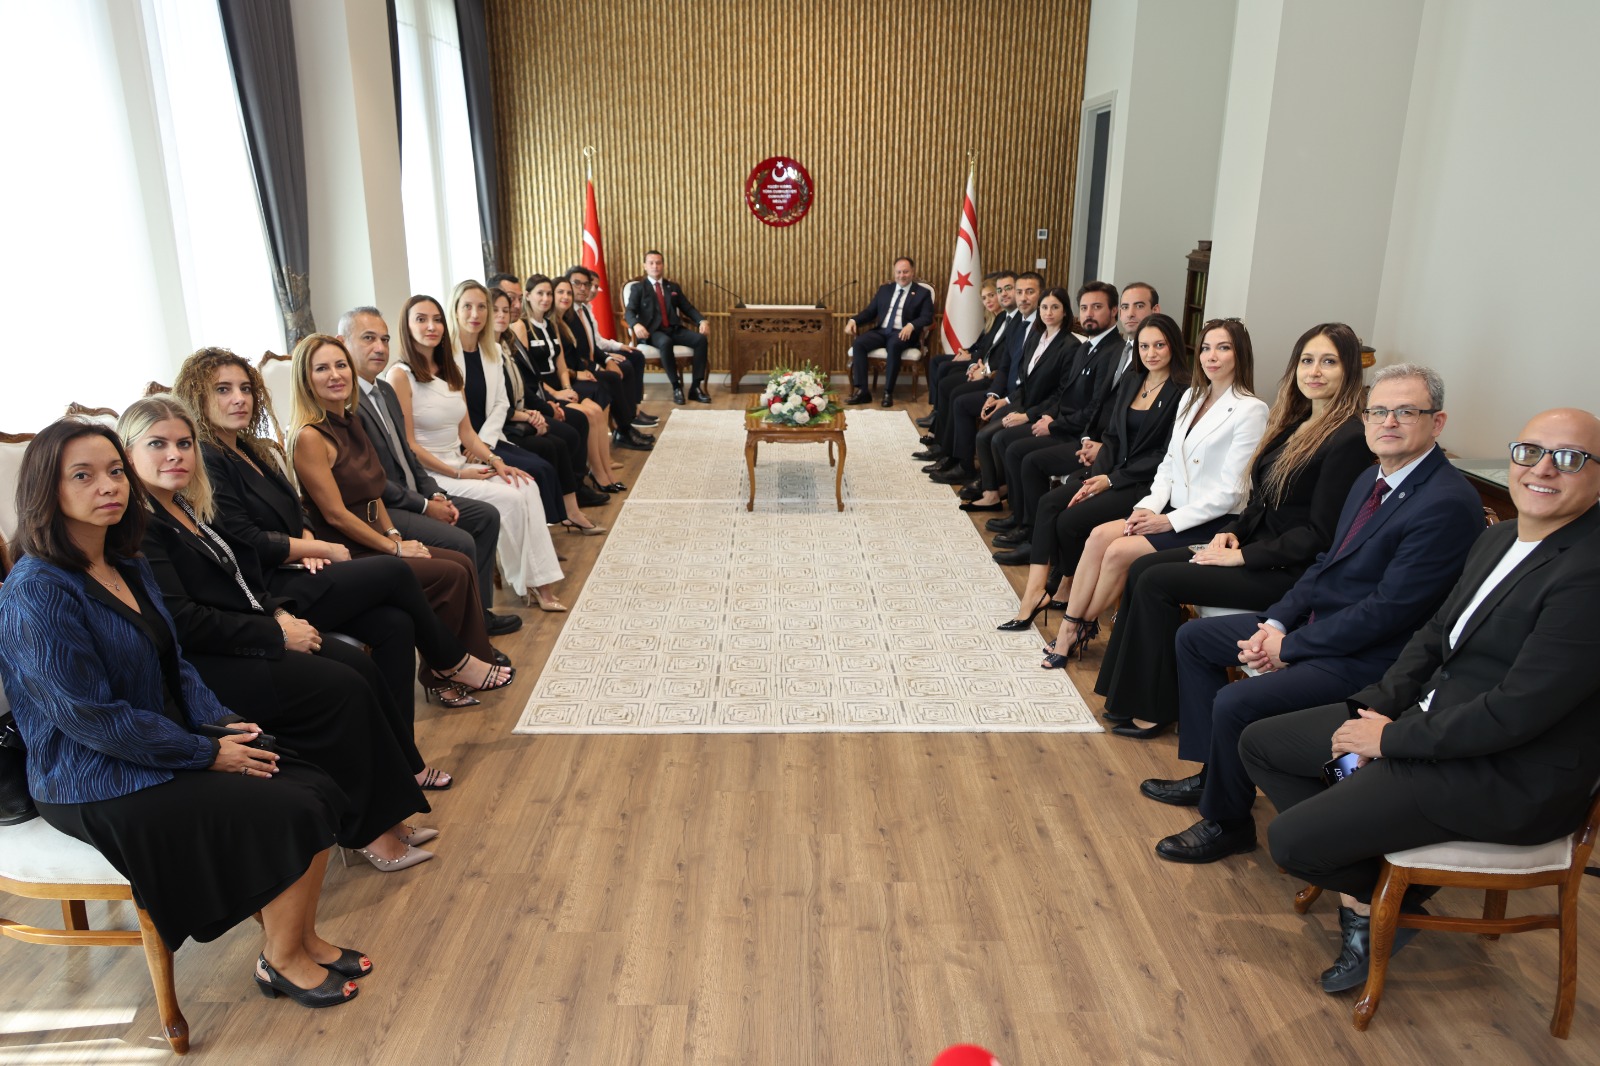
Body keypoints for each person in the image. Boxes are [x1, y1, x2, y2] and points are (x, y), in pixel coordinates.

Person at [0, 419, 363, 1005]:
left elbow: (177, 665)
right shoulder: (36, 589)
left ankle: (302, 939)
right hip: (90, 776)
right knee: (290, 806)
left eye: (115, 472)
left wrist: (224, 723)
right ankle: (282, 959)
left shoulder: (127, 562)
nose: (108, 486)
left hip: (157, 741)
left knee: (313, 779)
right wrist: (205, 752)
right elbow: (88, 716)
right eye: (83, 476)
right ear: (47, 490)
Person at [1241, 408, 1600, 994]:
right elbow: (1435, 634)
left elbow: (1516, 711)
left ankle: (1376, 900)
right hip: (1434, 725)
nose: (1543, 469)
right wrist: (1377, 709)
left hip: (1507, 771)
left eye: (1570, 458)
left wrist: (1388, 739)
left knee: (1292, 843)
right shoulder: (1501, 535)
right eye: (1530, 452)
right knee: (1264, 743)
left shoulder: (1589, 573)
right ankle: (1384, 878)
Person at [1142, 364, 1485, 864]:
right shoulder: (1372, 477)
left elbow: (1389, 611)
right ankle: (1214, 775)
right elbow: (1326, 563)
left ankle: (1228, 822)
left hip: (1371, 658)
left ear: (1437, 422)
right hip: (1319, 628)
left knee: (1236, 703)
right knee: (1194, 640)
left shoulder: (1446, 502)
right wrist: (1276, 623)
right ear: (1365, 419)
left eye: (1406, 412)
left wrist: (1291, 647)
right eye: (1378, 411)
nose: (1388, 422)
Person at [116, 399, 440, 874]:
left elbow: (239, 579)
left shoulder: (187, 504)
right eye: (157, 444)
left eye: (184, 443)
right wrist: (273, 633)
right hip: (205, 665)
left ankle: (391, 815)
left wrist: (279, 613)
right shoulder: (141, 527)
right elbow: (182, 620)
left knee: (360, 667)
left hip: (244, 634)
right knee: (339, 689)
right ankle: (365, 830)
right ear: (127, 454)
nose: (175, 454)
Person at [1094, 322, 1373, 736]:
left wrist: (1243, 555)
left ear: (1349, 369)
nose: (1314, 371)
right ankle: (1127, 695)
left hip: (1285, 572)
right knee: (1142, 569)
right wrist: (1234, 533)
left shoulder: (1348, 438)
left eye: (1328, 362)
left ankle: (1155, 706)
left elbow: (1320, 535)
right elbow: (1260, 500)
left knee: (1156, 581)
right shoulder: (1296, 423)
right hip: (1253, 549)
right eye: (1307, 360)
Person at [172, 348, 506, 690]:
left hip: (302, 567)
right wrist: (319, 548)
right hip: (271, 589)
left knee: (396, 624)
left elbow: (298, 508)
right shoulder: (208, 460)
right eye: (223, 389)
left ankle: (395, 724)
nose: (239, 398)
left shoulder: (248, 449)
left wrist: (308, 542)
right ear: (197, 397)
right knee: (395, 570)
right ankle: (451, 662)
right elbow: (246, 541)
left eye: (245, 388)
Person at [1040, 318, 1269, 667]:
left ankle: (1075, 629)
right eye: (1206, 348)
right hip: (1171, 509)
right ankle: (1075, 625)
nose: (1212, 356)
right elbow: (1169, 464)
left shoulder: (1251, 409)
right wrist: (1147, 508)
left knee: (1118, 551)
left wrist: (1168, 522)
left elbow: (1232, 492)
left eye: (1223, 348)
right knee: (1098, 536)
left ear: (1240, 354)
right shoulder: (1193, 396)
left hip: (1213, 522)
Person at [994, 313, 1190, 626]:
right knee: (1049, 503)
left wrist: (1110, 480)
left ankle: (1069, 581)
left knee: (1069, 521)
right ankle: (1035, 593)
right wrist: (1095, 476)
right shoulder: (1132, 380)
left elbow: (1164, 454)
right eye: (1144, 346)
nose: (1151, 353)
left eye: (1159, 345)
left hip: (1145, 485)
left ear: (1174, 347)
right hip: (1109, 473)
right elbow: (1112, 436)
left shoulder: (1183, 392)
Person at [336, 305, 517, 636]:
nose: (379, 347)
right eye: (368, 339)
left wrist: (435, 493)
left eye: (384, 339)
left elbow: (408, 453)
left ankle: (480, 614)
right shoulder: (346, 403)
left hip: (414, 494)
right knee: (461, 542)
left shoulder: (384, 390)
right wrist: (424, 506)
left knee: (486, 516)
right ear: (342, 342)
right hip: (385, 509)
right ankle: (463, 635)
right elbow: (373, 481)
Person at [386, 296, 568, 611]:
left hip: (458, 463)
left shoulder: (450, 370)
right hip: (432, 474)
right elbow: (409, 444)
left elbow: (467, 433)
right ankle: (529, 583)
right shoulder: (400, 375)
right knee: (511, 499)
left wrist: (497, 461)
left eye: (436, 319)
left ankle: (540, 583)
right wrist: (458, 473)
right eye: (421, 319)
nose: (431, 326)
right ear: (406, 326)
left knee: (525, 483)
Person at [990, 282, 1159, 534]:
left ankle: (1029, 529)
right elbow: (1066, 393)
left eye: (1097, 307)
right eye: (1085, 308)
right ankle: (1020, 519)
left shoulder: (1117, 351)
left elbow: (1097, 407)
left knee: (1024, 455)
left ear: (1112, 311)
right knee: (1006, 441)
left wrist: (1070, 432)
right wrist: (1049, 417)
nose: (1088, 313)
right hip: (1080, 431)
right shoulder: (1088, 347)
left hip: (1087, 438)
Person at [960, 282, 1117, 513]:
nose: (1048, 312)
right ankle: (997, 493)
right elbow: (1026, 381)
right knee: (991, 434)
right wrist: (1006, 400)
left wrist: (1042, 419)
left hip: (1054, 418)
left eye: (1055, 307)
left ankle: (1008, 502)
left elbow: (1066, 395)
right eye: (1044, 307)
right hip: (1036, 407)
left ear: (1065, 311)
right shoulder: (1037, 338)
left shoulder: (1074, 346)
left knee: (1004, 442)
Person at [444, 279, 571, 526]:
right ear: (455, 310)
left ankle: (539, 535)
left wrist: (483, 444)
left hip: (488, 438)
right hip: (458, 445)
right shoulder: (445, 355)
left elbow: (501, 403)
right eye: (467, 306)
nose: (475, 314)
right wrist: (472, 446)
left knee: (542, 469)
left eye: (482, 307)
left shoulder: (492, 350)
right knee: (534, 473)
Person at [485, 288, 607, 532]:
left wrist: (543, 409)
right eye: (495, 310)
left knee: (568, 434)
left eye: (506, 310)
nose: (502, 315)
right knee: (553, 444)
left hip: (522, 411)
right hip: (502, 425)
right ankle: (555, 516)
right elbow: (498, 404)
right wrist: (532, 415)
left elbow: (526, 385)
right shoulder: (488, 350)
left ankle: (572, 509)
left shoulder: (507, 343)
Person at [932, 272, 1043, 488]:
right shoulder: (1016, 323)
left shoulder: (1040, 327)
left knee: (965, 403)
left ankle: (981, 477)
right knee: (958, 397)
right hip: (1003, 389)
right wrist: (993, 394)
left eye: (1028, 292)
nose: (1020, 297)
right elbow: (1006, 365)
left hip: (1020, 397)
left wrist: (1005, 397)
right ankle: (959, 461)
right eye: (1018, 292)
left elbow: (1030, 375)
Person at [526, 276, 624, 494]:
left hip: (559, 385)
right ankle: (596, 475)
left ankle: (604, 471)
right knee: (586, 414)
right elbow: (529, 373)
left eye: (548, 294)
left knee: (596, 410)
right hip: (542, 390)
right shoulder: (522, 327)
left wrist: (566, 388)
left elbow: (561, 363)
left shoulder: (551, 324)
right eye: (541, 293)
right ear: (528, 296)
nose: (546, 298)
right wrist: (556, 393)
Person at [565, 265, 657, 441]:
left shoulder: (583, 309)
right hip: (578, 369)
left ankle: (630, 417)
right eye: (577, 283)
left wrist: (607, 359)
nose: (583, 288)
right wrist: (599, 365)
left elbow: (593, 343)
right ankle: (624, 429)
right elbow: (575, 353)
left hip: (592, 359)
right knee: (614, 376)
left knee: (630, 361)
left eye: (586, 284)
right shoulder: (565, 315)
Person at [845, 257, 936, 407]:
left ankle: (888, 392)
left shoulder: (922, 293)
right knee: (859, 343)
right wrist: (853, 320)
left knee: (894, 345)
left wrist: (911, 325)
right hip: (882, 331)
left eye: (905, 272)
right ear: (894, 273)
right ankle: (862, 391)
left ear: (912, 272)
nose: (902, 275)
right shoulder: (885, 290)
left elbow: (927, 317)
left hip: (903, 333)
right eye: (898, 272)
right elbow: (870, 311)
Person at [623, 249, 709, 404]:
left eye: (658, 263)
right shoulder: (638, 288)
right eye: (651, 263)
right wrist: (635, 325)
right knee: (665, 342)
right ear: (645, 266)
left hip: (674, 329)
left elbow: (688, 308)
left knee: (700, 340)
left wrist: (701, 321)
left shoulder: (673, 287)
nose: (655, 266)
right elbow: (629, 312)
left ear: (663, 265)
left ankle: (695, 387)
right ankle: (676, 387)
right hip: (652, 332)